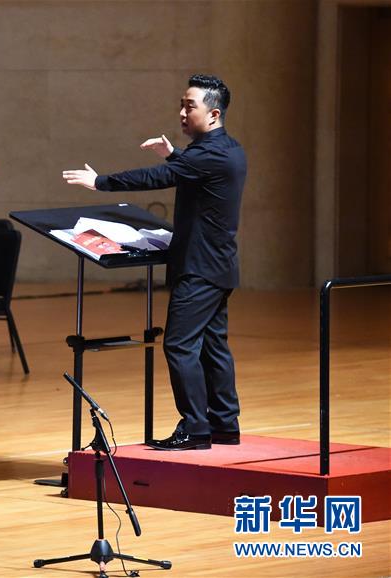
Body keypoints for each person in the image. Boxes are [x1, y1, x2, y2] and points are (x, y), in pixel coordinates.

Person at [63, 74, 246, 451]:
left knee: (179, 345)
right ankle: (224, 424)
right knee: (213, 346)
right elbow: (189, 171)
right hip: (218, 266)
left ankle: (196, 428)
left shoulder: (207, 155)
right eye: (181, 104)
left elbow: (157, 177)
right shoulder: (228, 149)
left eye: (190, 106)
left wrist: (101, 182)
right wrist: (175, 155)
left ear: (213, 114)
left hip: (199, 269)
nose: (182, 113)